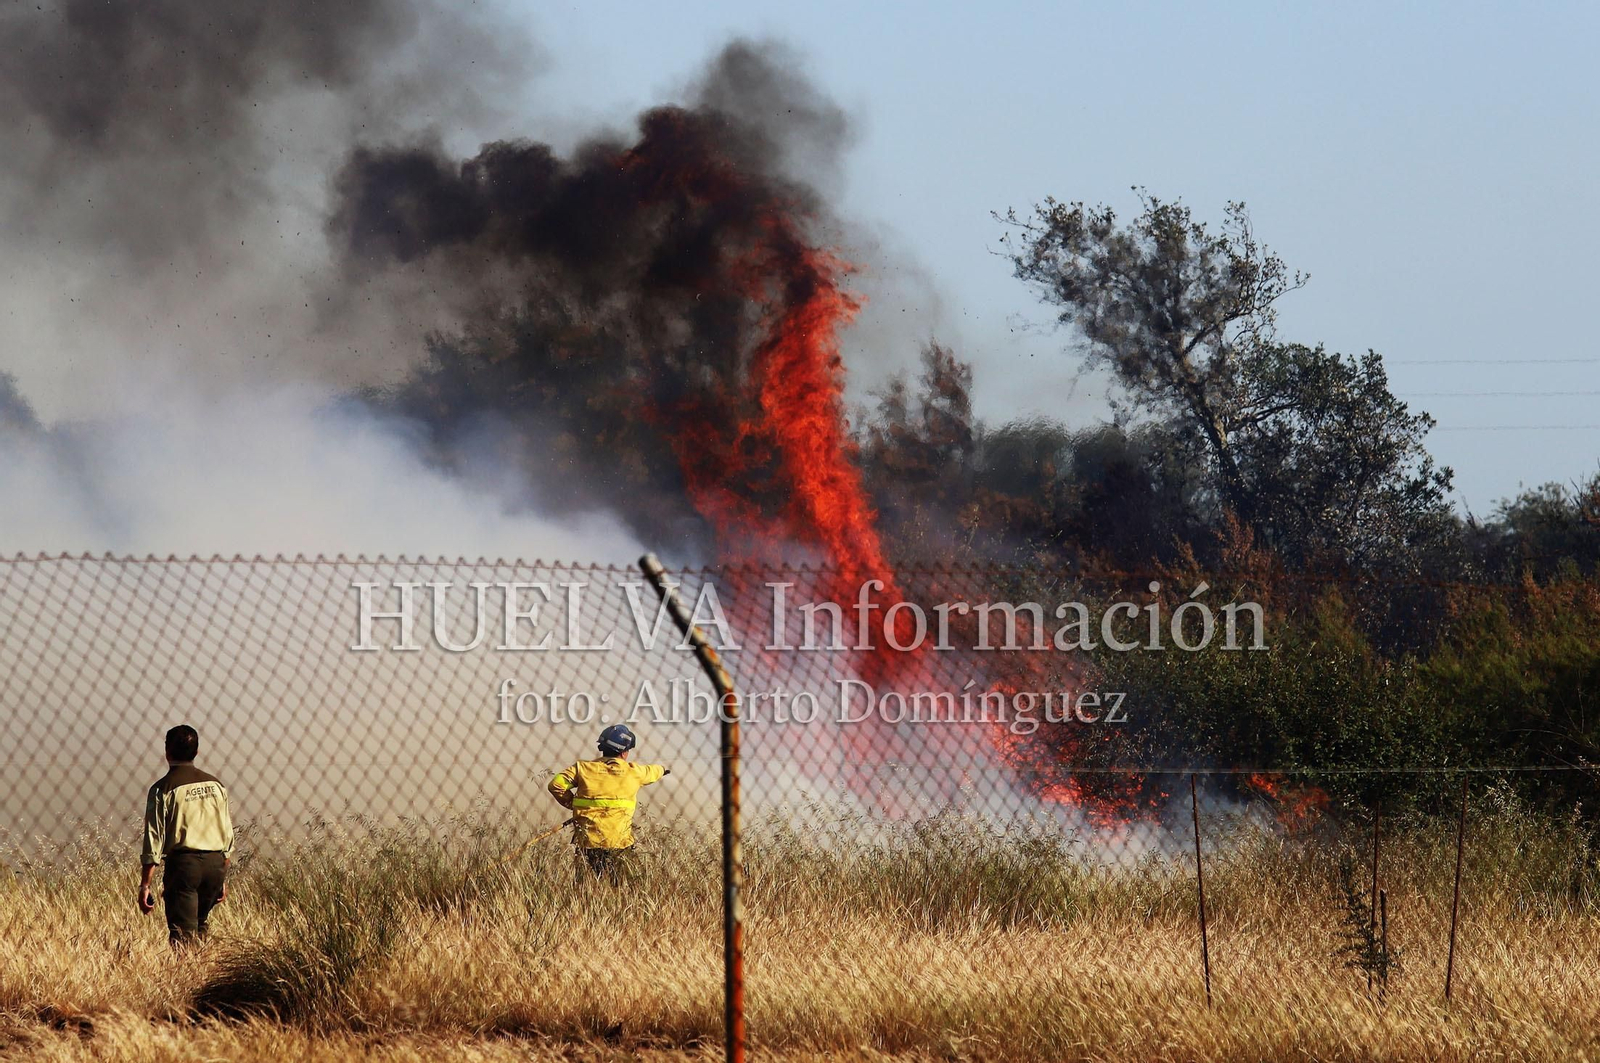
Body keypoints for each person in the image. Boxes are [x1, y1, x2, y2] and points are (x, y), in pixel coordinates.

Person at [137, 725, 235, 945]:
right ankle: (203, 972)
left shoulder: (161, 789)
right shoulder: (216, 785)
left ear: (167, 751)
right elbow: (227, 833)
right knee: (200, 928)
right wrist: (222, 875)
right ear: (197, 751)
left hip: (184, 866)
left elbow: (153, 839)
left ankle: (188, 976)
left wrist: (145, 885)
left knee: (182, 936)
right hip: (215, 864)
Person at [547, 724, 668, 883]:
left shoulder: (582, 768)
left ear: (602, 747)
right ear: (625, 752)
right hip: (619, 844)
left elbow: (556, 784)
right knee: (625, 890)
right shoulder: (634, 772)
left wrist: (573, 804)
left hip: (587, 843)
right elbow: (654, 771)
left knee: (586, 891)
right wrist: (663, 769)